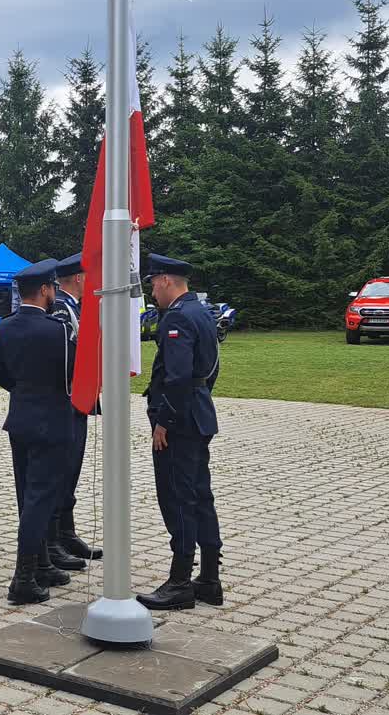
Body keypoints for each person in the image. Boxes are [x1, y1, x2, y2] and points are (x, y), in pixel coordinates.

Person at [137, 253, 224, 612]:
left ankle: (179, 582)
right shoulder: (201, 312)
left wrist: (164, 423)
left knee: (178, 499)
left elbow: (177, 377)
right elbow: (210, 369)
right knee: (201, 496)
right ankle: (208, 579)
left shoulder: (177, 318)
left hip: (180, 422)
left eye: (154, 283)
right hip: (198, 413)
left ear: (167, 281)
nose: (152, 291)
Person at [0, 259, 76, 605]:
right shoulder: (57, 331)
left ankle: (40, 564)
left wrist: (22, 389)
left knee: (28, 496)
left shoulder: (6, 327)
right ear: (44, 290)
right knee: (41, 499)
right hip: (51, 422)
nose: (54, 293)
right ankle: (23, 578)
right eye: (53, 288)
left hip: (20, 420)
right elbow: (71, 375)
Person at [47, 253, 102, 569]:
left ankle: (67, 533)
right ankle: (53, 541)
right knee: (61, 472)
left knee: (72, 471)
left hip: (79, 402)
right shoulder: (59, 309)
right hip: (65, 402)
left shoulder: (76, 307)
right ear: (79, 278)